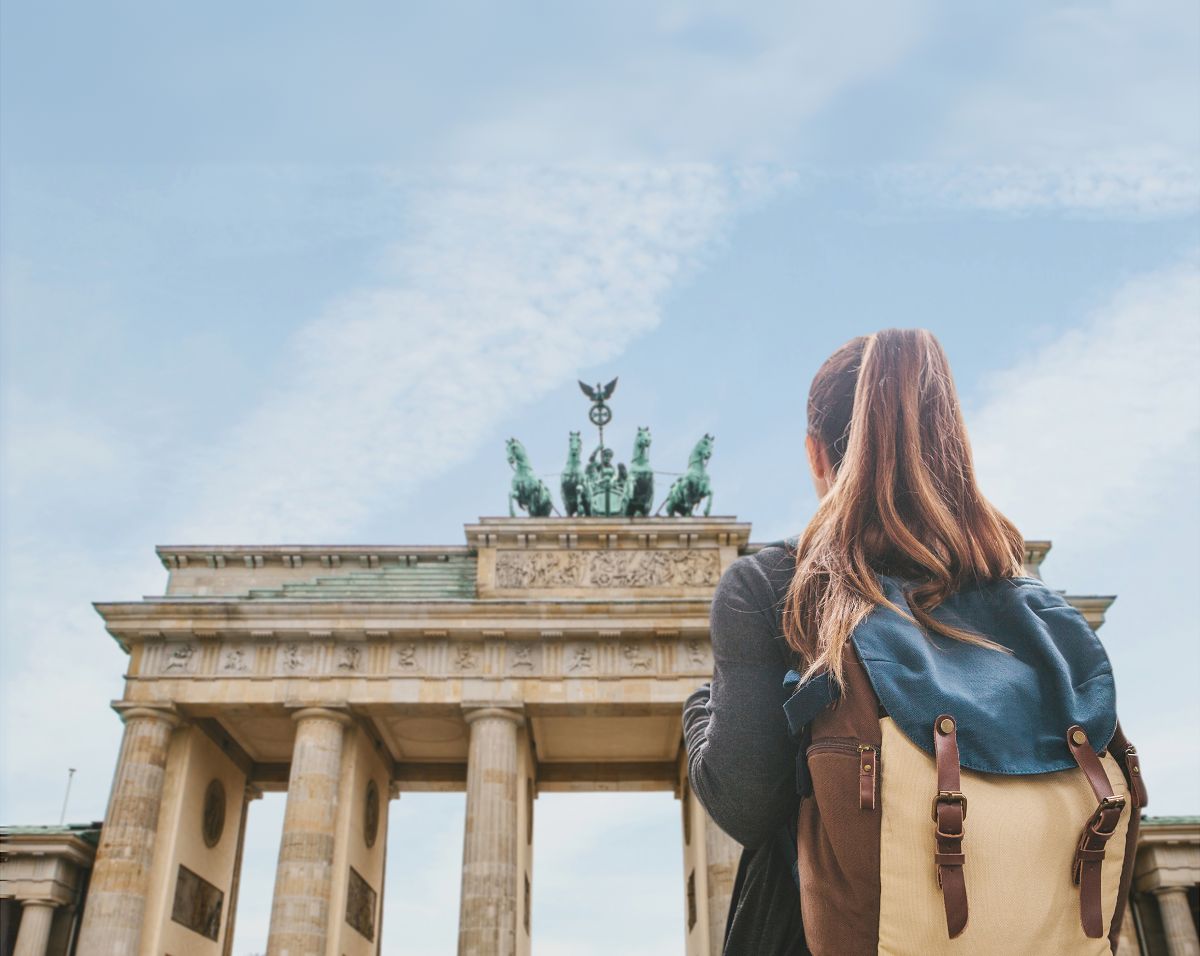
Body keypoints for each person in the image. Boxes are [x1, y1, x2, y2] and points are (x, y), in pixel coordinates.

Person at [682, 329, 1144, 956]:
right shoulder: (1034, 607)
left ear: (817, 455)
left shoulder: (778, 586)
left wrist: (700, 710)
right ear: (951, 445)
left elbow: (746, 803)